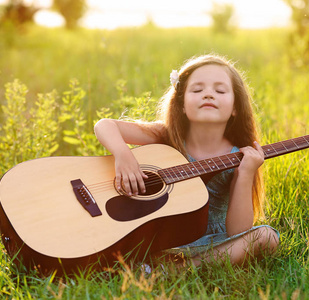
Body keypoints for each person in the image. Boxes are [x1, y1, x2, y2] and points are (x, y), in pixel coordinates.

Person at [94, 54, 279, 267]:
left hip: (213, 243)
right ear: (181, 105)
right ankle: (165, 263)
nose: (208, 95)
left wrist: (246, 173)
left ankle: (181, 269)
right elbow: (105, 125)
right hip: (164, 237)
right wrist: (124, 155)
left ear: (235, 108)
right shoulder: (167, 136)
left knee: (267, 236)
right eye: (197, 90)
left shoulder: (241, 156)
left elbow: (239, 232)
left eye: (220, 91)